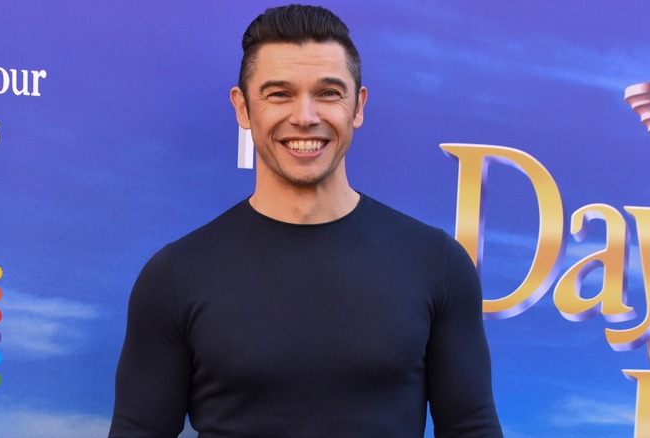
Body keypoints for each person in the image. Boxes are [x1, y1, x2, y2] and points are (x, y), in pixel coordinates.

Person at [109, 4, 502, 437]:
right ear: (243, 108)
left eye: (329, 93)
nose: (305, 117)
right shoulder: (176, 276)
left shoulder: (436, 263)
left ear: (358, 106)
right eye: (279, 94)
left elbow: (471, 426)